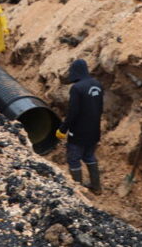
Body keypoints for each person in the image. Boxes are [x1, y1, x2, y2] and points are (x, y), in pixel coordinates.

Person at [55, 59, 104, 194]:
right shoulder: (97, 84)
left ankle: (78, 191)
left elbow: (73, 112)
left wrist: (63, 129)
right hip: (94, 130)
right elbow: (100, 109)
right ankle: (96, 186)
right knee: (89, 156)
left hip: (79, 132)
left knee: (74, 159)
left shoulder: (77, 88)